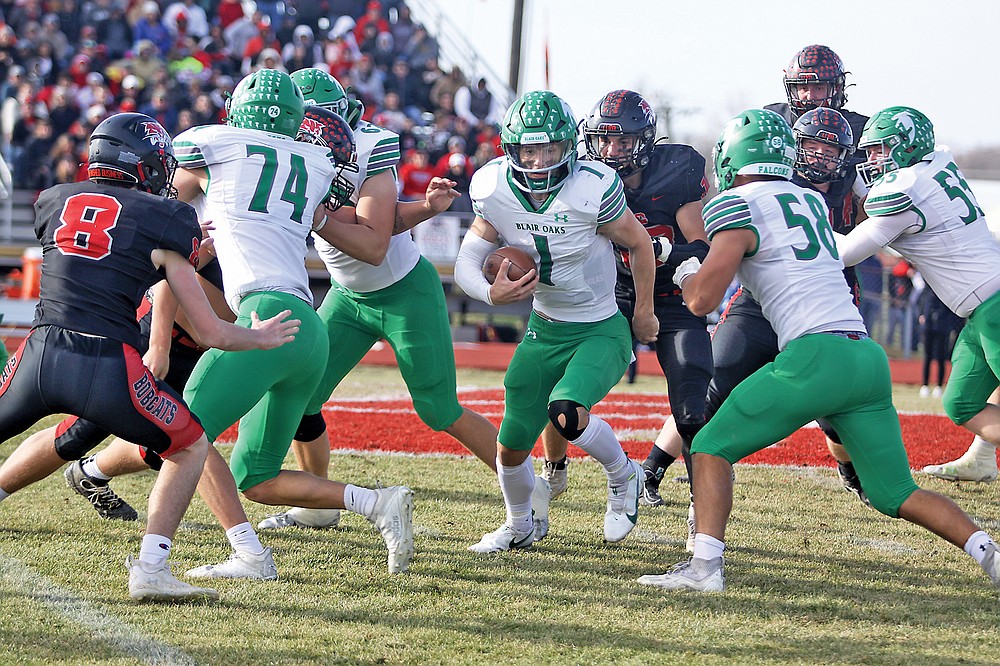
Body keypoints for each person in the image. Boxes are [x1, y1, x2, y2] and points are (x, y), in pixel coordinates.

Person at [637, 108, 1000, 593]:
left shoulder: (734, 203)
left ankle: (704, 570)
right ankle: (988, 552)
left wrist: (683, 271)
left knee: (708, 446)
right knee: (897, 492)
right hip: (865, 357)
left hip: (813, 357)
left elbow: (703, 299)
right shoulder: (808, 199)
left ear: (730, 159)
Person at [0, 112, 299, 602]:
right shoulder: (167, 218)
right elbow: (209, 329)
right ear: (143, 163)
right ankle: (151, 568)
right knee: (188, 447)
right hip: (104, 362)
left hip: (37, 353)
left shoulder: (55, 199)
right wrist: (259, 337)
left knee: (56, 434)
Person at [170, 69, 414, 577]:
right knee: (255, 476)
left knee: (186, 432)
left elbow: (169, 186)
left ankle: (246, 555)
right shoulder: (317, 161)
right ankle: (378, 503)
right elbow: (365, 225)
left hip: (266, 315)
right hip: (310, 328)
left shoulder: (216, 142)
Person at [255, 67, 501, 533]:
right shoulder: (281, 145)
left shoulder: (368, 144)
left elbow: (374, 235)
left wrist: (318, 218)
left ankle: (523, 493)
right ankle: (317, 502)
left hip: (403, 289)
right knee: (300, 392)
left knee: (438, 408)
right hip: (347, 296)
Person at [455, 90, 658, 552]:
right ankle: (520, 525)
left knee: (567, 413)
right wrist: (491, 292)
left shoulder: (592, 185)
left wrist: (642, 312)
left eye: (550, 149)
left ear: (569, 146)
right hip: (544, 327)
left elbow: (641, 244)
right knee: (509, 446)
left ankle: (624, 476)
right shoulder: (494, 188)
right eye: (530, 149)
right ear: (512, 149)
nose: (541, 160)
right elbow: (470, 257)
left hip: (598, 327)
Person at [539, 89, 712, 508]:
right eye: (603, 140)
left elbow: (702, 246)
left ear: (645, 141)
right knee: (558, 385)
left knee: (692, 409)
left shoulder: (676, 172)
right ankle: (554, 468)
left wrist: (665, 253)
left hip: (670, 299)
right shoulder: (581, 179)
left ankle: (700, 507)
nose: (611, 150)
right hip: (609, 296)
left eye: (623, 141)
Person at [836, 106, 1000, 486]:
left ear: (906, 146)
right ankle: (982, 460)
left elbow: (846, 253)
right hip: (980, 310)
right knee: (961, 402)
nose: (872, 160)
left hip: (993, 305)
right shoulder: (935, 164)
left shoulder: (906, 188)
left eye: (880, 150)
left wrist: (800, 224)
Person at [918, 287, 963, 398]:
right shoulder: (926, 290)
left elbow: (952, 311)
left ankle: (939, 386)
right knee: (927, 356)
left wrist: (949, 324)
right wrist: (921, 315)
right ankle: (925, 385)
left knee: (941, 358)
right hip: (928, 327)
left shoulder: (947, 291)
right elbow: (918, 303)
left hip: (942, 328)